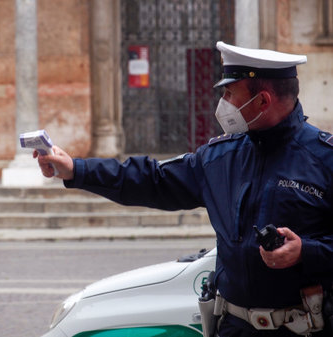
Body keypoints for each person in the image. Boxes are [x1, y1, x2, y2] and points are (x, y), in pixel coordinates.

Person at [35, 41, 333, 336]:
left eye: (230, 93)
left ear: (262, 101)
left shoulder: (324, 159)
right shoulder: (221, 156)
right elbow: (152, 179)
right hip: (234, 328)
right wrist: (76, 169)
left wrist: (305, 252)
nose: (223, 103)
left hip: (304, 328)